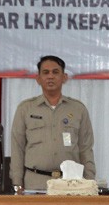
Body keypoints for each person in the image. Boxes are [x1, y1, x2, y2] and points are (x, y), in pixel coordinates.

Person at [10, 55, 95, 192]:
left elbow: (86, 148)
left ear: (64, 77)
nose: (50, 76)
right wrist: (17, 182)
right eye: (45, 72)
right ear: (38, 79)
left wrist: (90, 182)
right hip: (34, 183)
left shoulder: (78, 109)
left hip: (70, 184)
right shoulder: (25, 109)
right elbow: (17, 148)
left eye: (55, 72)